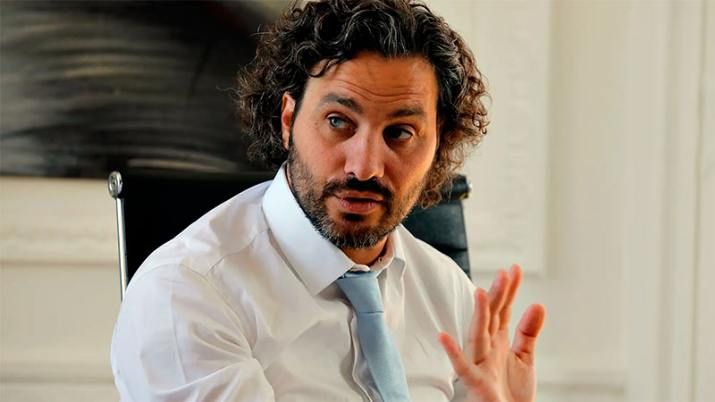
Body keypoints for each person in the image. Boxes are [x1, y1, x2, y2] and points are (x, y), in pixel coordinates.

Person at [110, 0, 547, 401]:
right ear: (288, 120)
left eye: (400, 133)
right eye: (338, 122)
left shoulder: (450, 294)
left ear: (439, 145)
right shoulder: (185, 296)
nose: (365, 167)